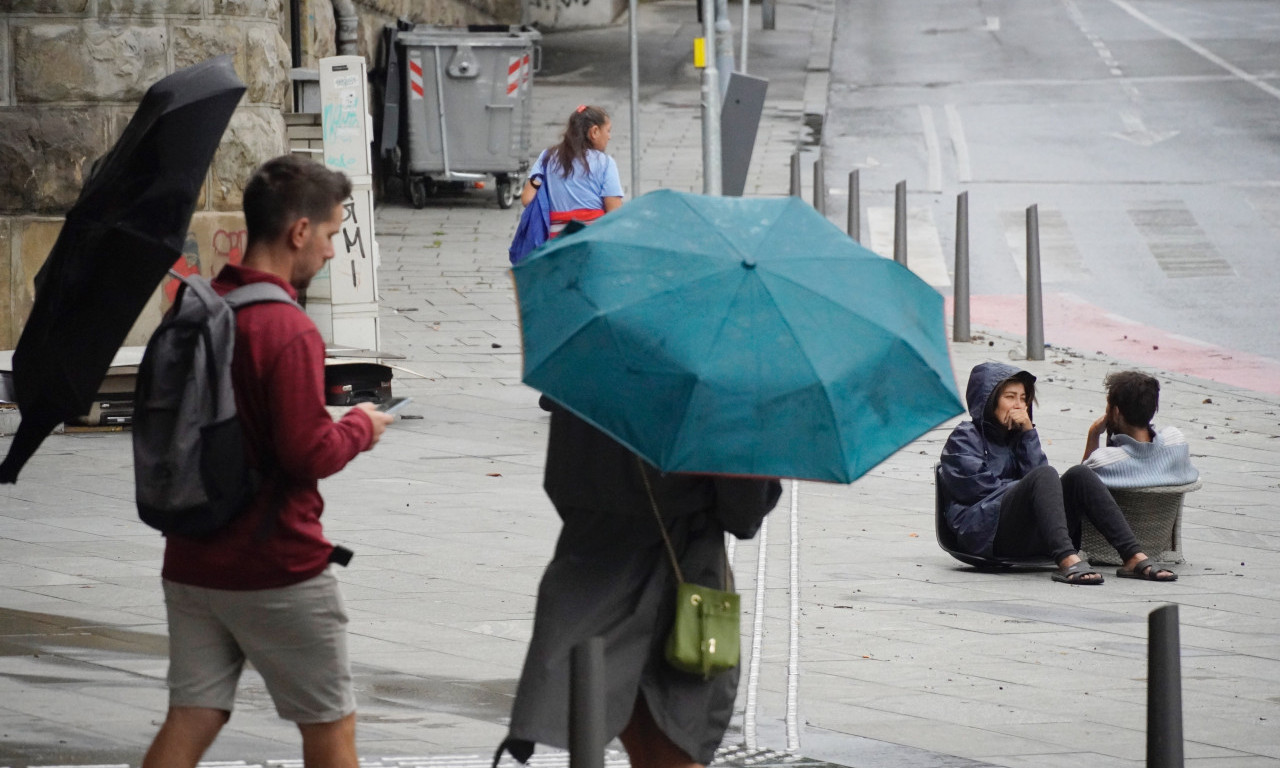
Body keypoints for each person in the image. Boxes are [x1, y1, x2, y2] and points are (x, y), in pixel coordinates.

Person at [141, 155, 395, 768]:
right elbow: (308, 451)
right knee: (331, 728)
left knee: (193, 716)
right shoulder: (287, 328)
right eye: (332, 234)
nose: (333, 250)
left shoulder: (199, 305)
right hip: (277, 565)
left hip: (193, 560)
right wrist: (361, 424)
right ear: (299, 232)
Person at [497, 404, 781, 768]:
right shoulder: (718, 390)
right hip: (679, 580)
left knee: (639, 740)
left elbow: (561, 481)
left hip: (589, 570)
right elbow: (742, 514)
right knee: (676, 748)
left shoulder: (590, 368)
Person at [938, 362, 1177, 584]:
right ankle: (1066, 559)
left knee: (1079, 475)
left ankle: (1133, 556)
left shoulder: (1020, 435)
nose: (1019, 406)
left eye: (1023, 398)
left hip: (1024, 531)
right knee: (1045, 475)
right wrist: (1027, 487)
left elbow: (1038, 484)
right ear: (989, 401)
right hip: (983, 533)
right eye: (1010, 397)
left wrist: (1028, 434)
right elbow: (978, 491)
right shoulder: (964, 437)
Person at [521, 104, 624, 237]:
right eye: (608, 131)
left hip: (556, 241)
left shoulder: (547, 157)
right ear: (595, 132)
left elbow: (527, 199)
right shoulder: (605, 163)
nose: (609, 137)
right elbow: (614, 211)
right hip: (592, 238)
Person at [1082, 370, 1199, 488]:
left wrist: (1094, 433)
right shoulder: (1177, 442)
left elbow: (1082, 485)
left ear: (1116, 412)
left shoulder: (1104, 462)